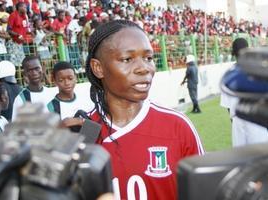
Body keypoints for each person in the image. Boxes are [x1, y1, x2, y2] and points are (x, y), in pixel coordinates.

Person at [85, 20, 204, 200]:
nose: (144, 68)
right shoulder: (82, 134)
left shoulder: (178, 126)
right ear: (98, 68)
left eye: (148, 58)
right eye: (127, 59)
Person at [220, 37, 268, 147]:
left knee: (241, 159)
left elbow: (228, 107)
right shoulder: (258, 70)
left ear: (233, 53)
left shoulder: (228, 74)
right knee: (261, 158)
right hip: (256, 120)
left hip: (237, 122)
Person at [47, 61, 94, 127]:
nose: (67, 83)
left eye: (70, 78)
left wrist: (80, 121)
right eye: (61, 80)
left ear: (75, 78)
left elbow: (96, 125)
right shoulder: (51, 107)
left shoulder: (86, 99)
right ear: (55, 81)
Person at [11, 55, 56, 121]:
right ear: (25, 74)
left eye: (37, 68)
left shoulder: (52, 93)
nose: (34, 73)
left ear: (43, 69)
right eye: (29, 70)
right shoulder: (21, 99)